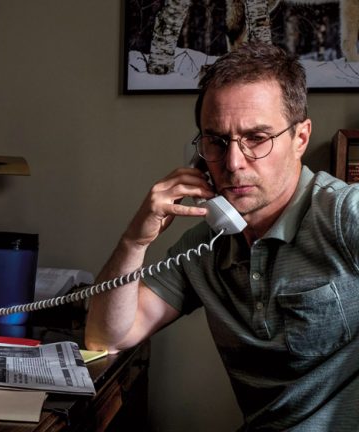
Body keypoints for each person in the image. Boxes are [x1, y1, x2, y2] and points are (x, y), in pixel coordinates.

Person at [85, 42, 359, 430]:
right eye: (216, 141)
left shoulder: (345, 214)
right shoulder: (205, 246)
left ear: (300, 138)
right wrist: (135, 241)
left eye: (256, 138)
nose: (232, 163)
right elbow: (105, 338)